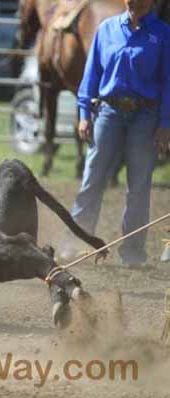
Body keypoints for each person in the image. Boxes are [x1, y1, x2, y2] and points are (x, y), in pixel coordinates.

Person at [60, 0, 170, 267]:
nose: (137, 2)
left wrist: (165, 123)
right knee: (92, 179)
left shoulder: (163, 34)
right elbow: (92, 74)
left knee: (139, 186)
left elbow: (168, 81)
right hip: (108, 112)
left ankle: (133, 254)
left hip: (145, 116)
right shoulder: (106, 29)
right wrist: (84, 113)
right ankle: (74, 244)